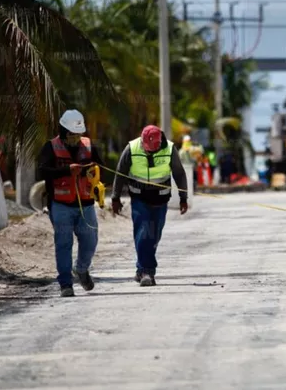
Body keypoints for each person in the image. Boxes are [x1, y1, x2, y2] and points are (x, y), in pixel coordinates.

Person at [111, 125, 188, 286]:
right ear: (143, 141)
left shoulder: (170, 149)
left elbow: (179, 173)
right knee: (143, 232)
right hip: (139, 198)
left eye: (153, 150)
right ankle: (148, 271)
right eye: (147, 150)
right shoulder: (131, 148)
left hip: (160, 199)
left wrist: (183, 197)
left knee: (154, 235)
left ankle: (140, 269)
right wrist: (115, 197)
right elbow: (120, 172)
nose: (149, 153)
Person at [37, 110, 102, 297]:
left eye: (78, 134)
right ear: (64, 131)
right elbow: (43, 171)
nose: (76, 137)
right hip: (60, 205)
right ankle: (66, 283)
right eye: (72, 134)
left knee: (90, 240)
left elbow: (100, 167)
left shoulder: (89, 146)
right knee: (64, 243)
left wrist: (90, 173)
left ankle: (81, 269)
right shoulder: (50, 147)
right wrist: (66, 170)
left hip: (86, 204)